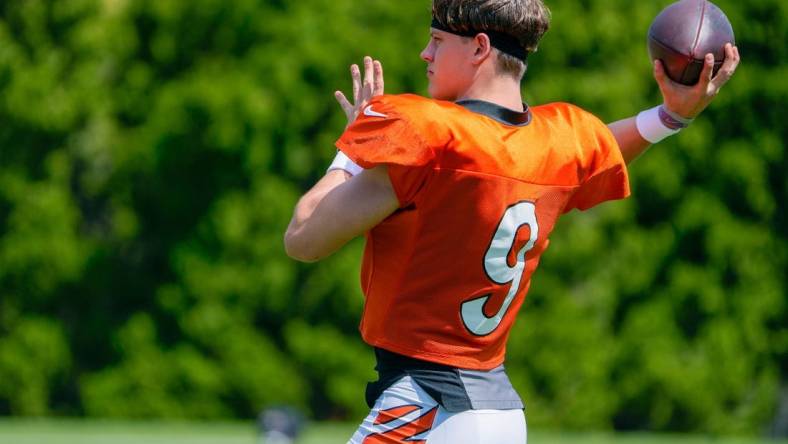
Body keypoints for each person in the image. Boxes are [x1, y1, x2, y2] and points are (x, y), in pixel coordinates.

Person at [284, 0, 740, 442]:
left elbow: (303, 239)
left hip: (427, 405)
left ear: (479, 47)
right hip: (498, 414)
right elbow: (604, 146)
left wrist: (350, 152)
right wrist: (672, 116)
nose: (426, 54)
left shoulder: (429, 137)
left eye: (438, 41)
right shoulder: (557, 141)